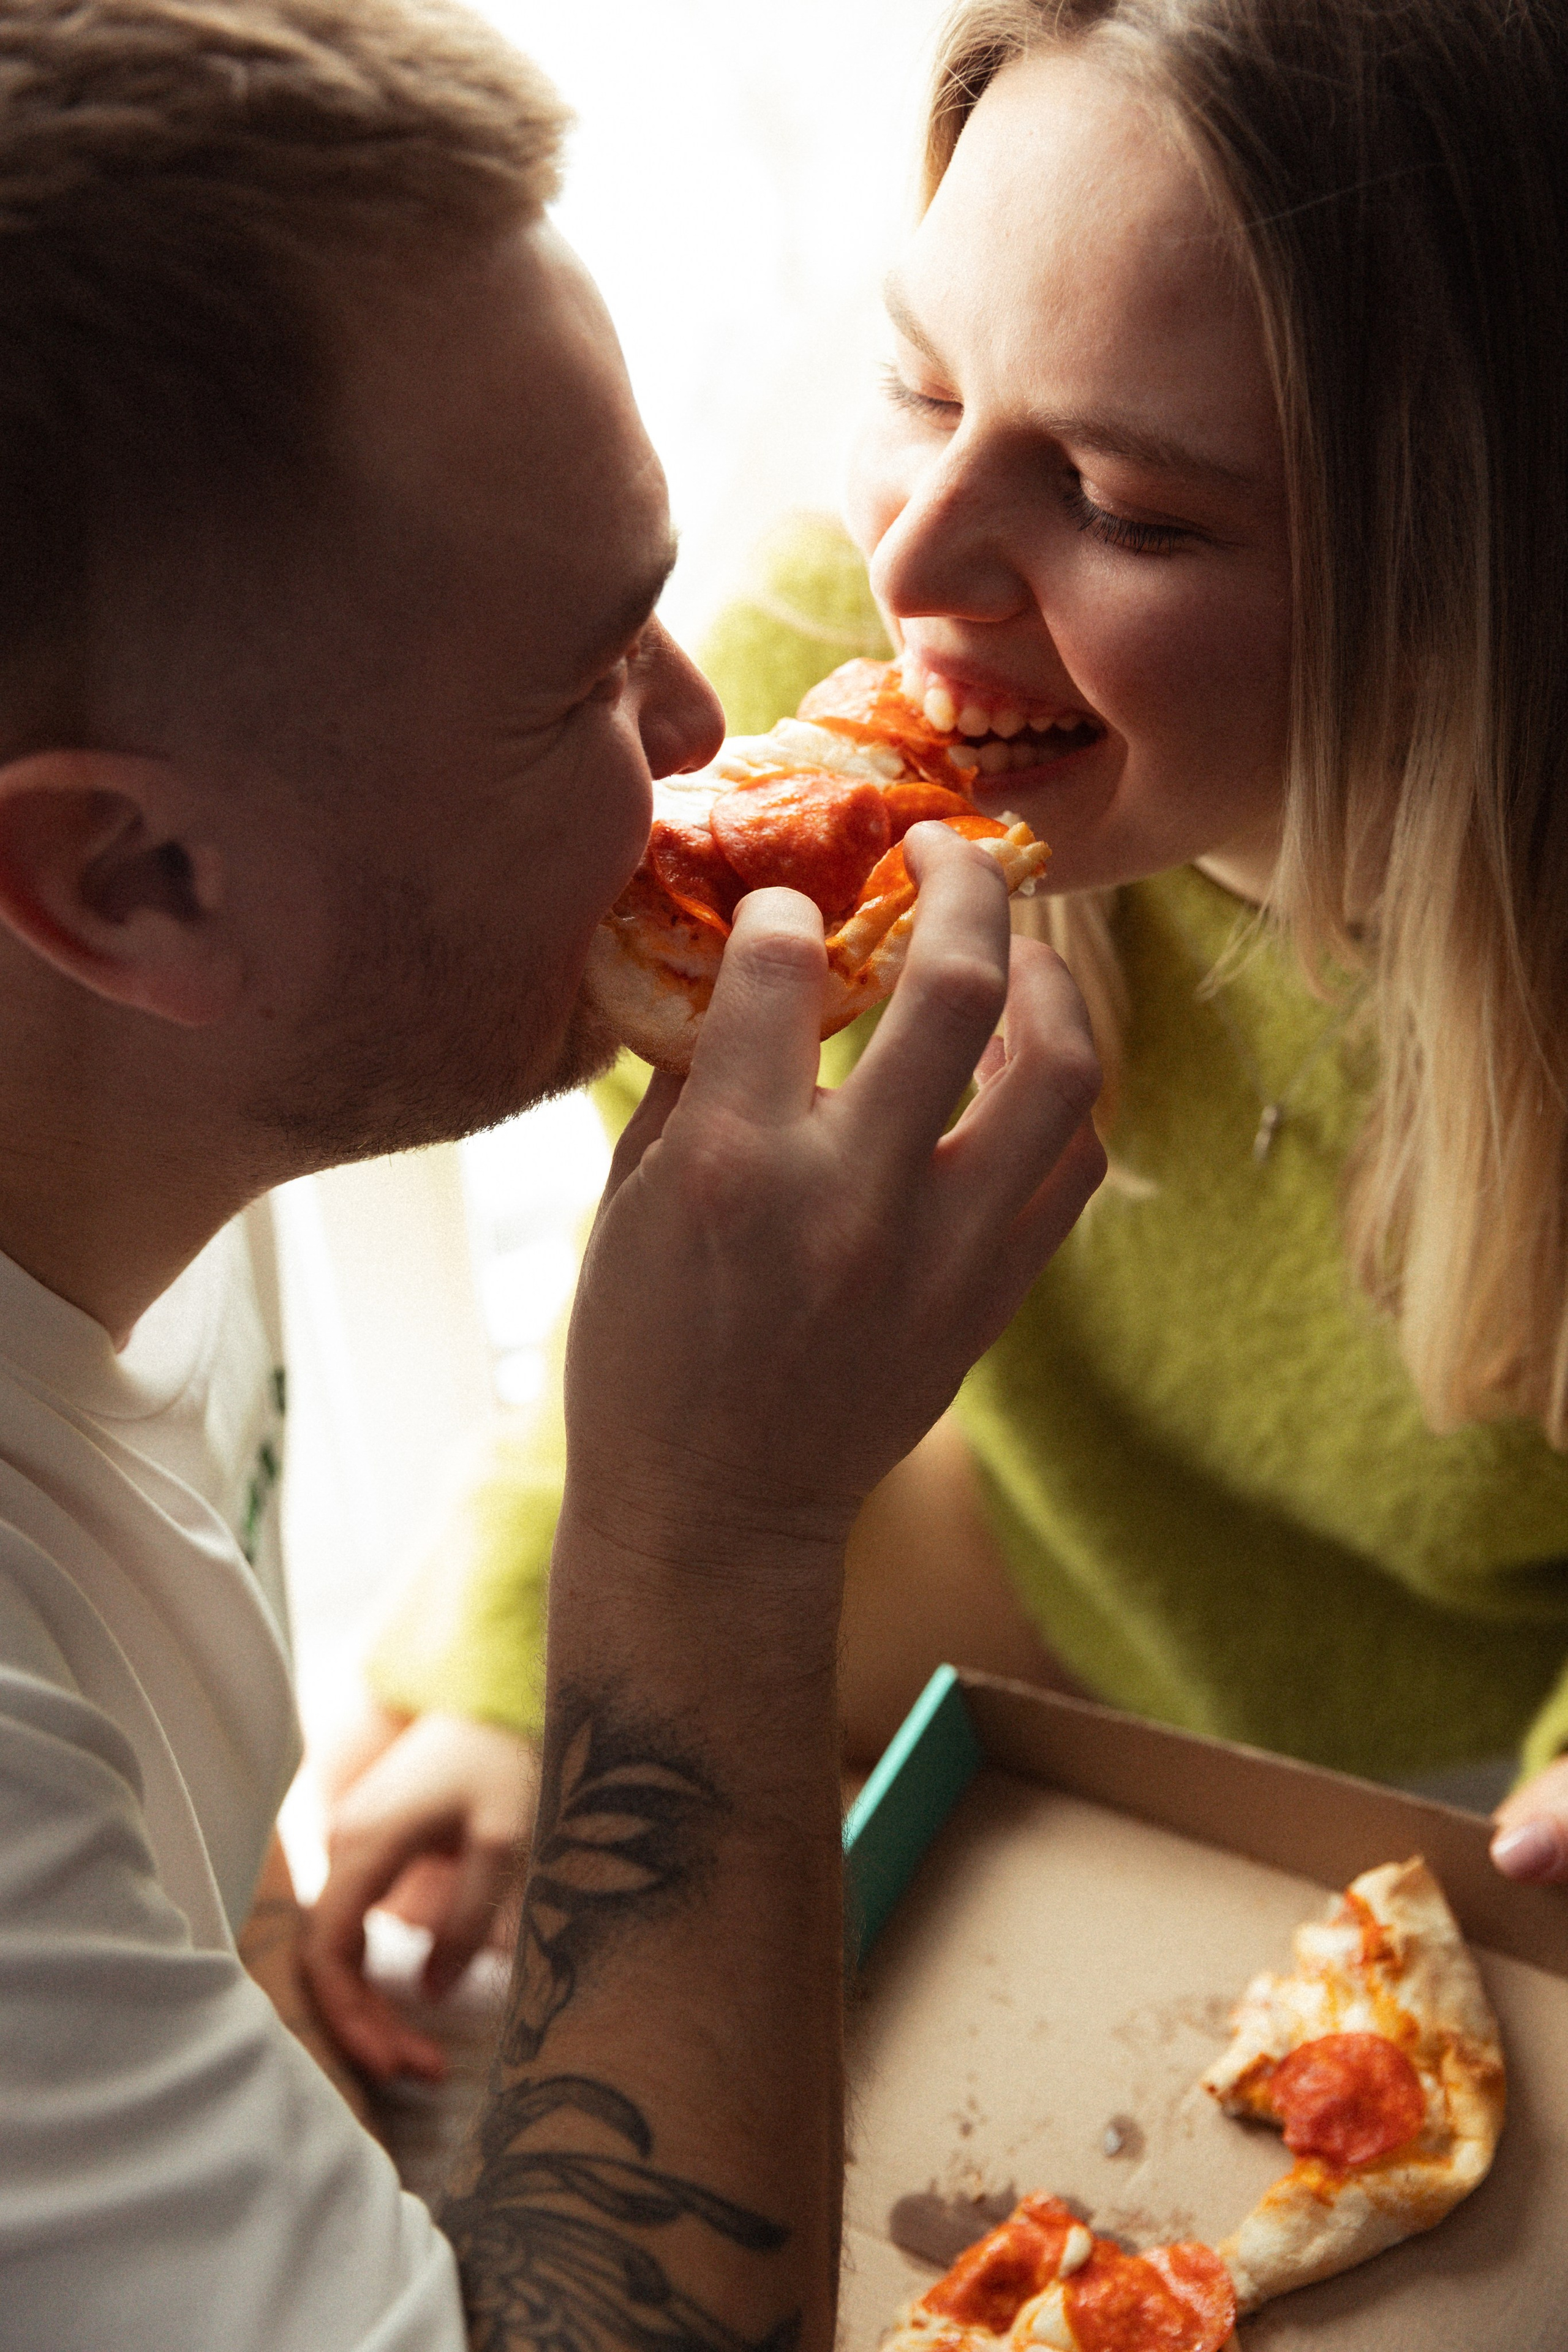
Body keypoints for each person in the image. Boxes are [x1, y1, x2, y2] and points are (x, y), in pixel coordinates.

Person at [306, 0, 1568, 2076]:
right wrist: (501, 1673)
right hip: (999, 1552)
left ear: (1476, 576)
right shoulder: (842, 674)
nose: (911, 562)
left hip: (1435, 1750)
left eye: (1126, 505)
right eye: (923, 383)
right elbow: (697, 1277)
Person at [0, 2, 1107, 2345]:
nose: (713, 729)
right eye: (593, 675)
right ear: (134, 885)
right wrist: (702, 1537)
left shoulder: (144, 1127)